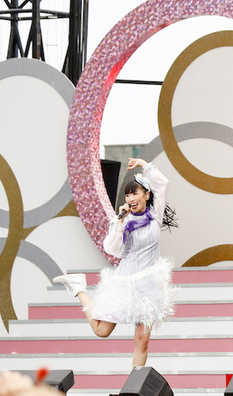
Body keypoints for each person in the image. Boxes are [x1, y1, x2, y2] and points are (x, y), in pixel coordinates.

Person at [54, 158, 177, 368]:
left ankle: (135, 384)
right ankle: (79, 288)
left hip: (148, 288)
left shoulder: (155, 213)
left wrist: (143, 164)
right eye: (128, 195)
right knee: (101, 331)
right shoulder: (123, 221)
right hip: (125, 284)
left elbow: (163, 183)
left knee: (142, 340)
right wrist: (119, 221)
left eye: (135, 193)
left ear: (147, 195)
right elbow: (112, 248)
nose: (131, 198)